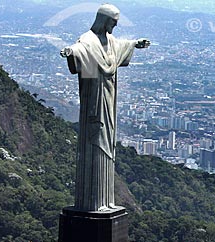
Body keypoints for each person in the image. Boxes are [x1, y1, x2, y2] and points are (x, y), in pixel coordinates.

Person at [60, 4, 150, 211]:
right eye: (112, 23)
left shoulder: (109, 41)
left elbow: (120, 46)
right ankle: (90, 202)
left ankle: (105, 201)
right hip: (94, 99)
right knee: (95, 140)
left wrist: (135, 44)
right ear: (103, 20)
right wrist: (70, 51)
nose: (114, 27)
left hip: (108, 98)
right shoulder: (88, 40)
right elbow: (80, 49)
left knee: (107, 143)